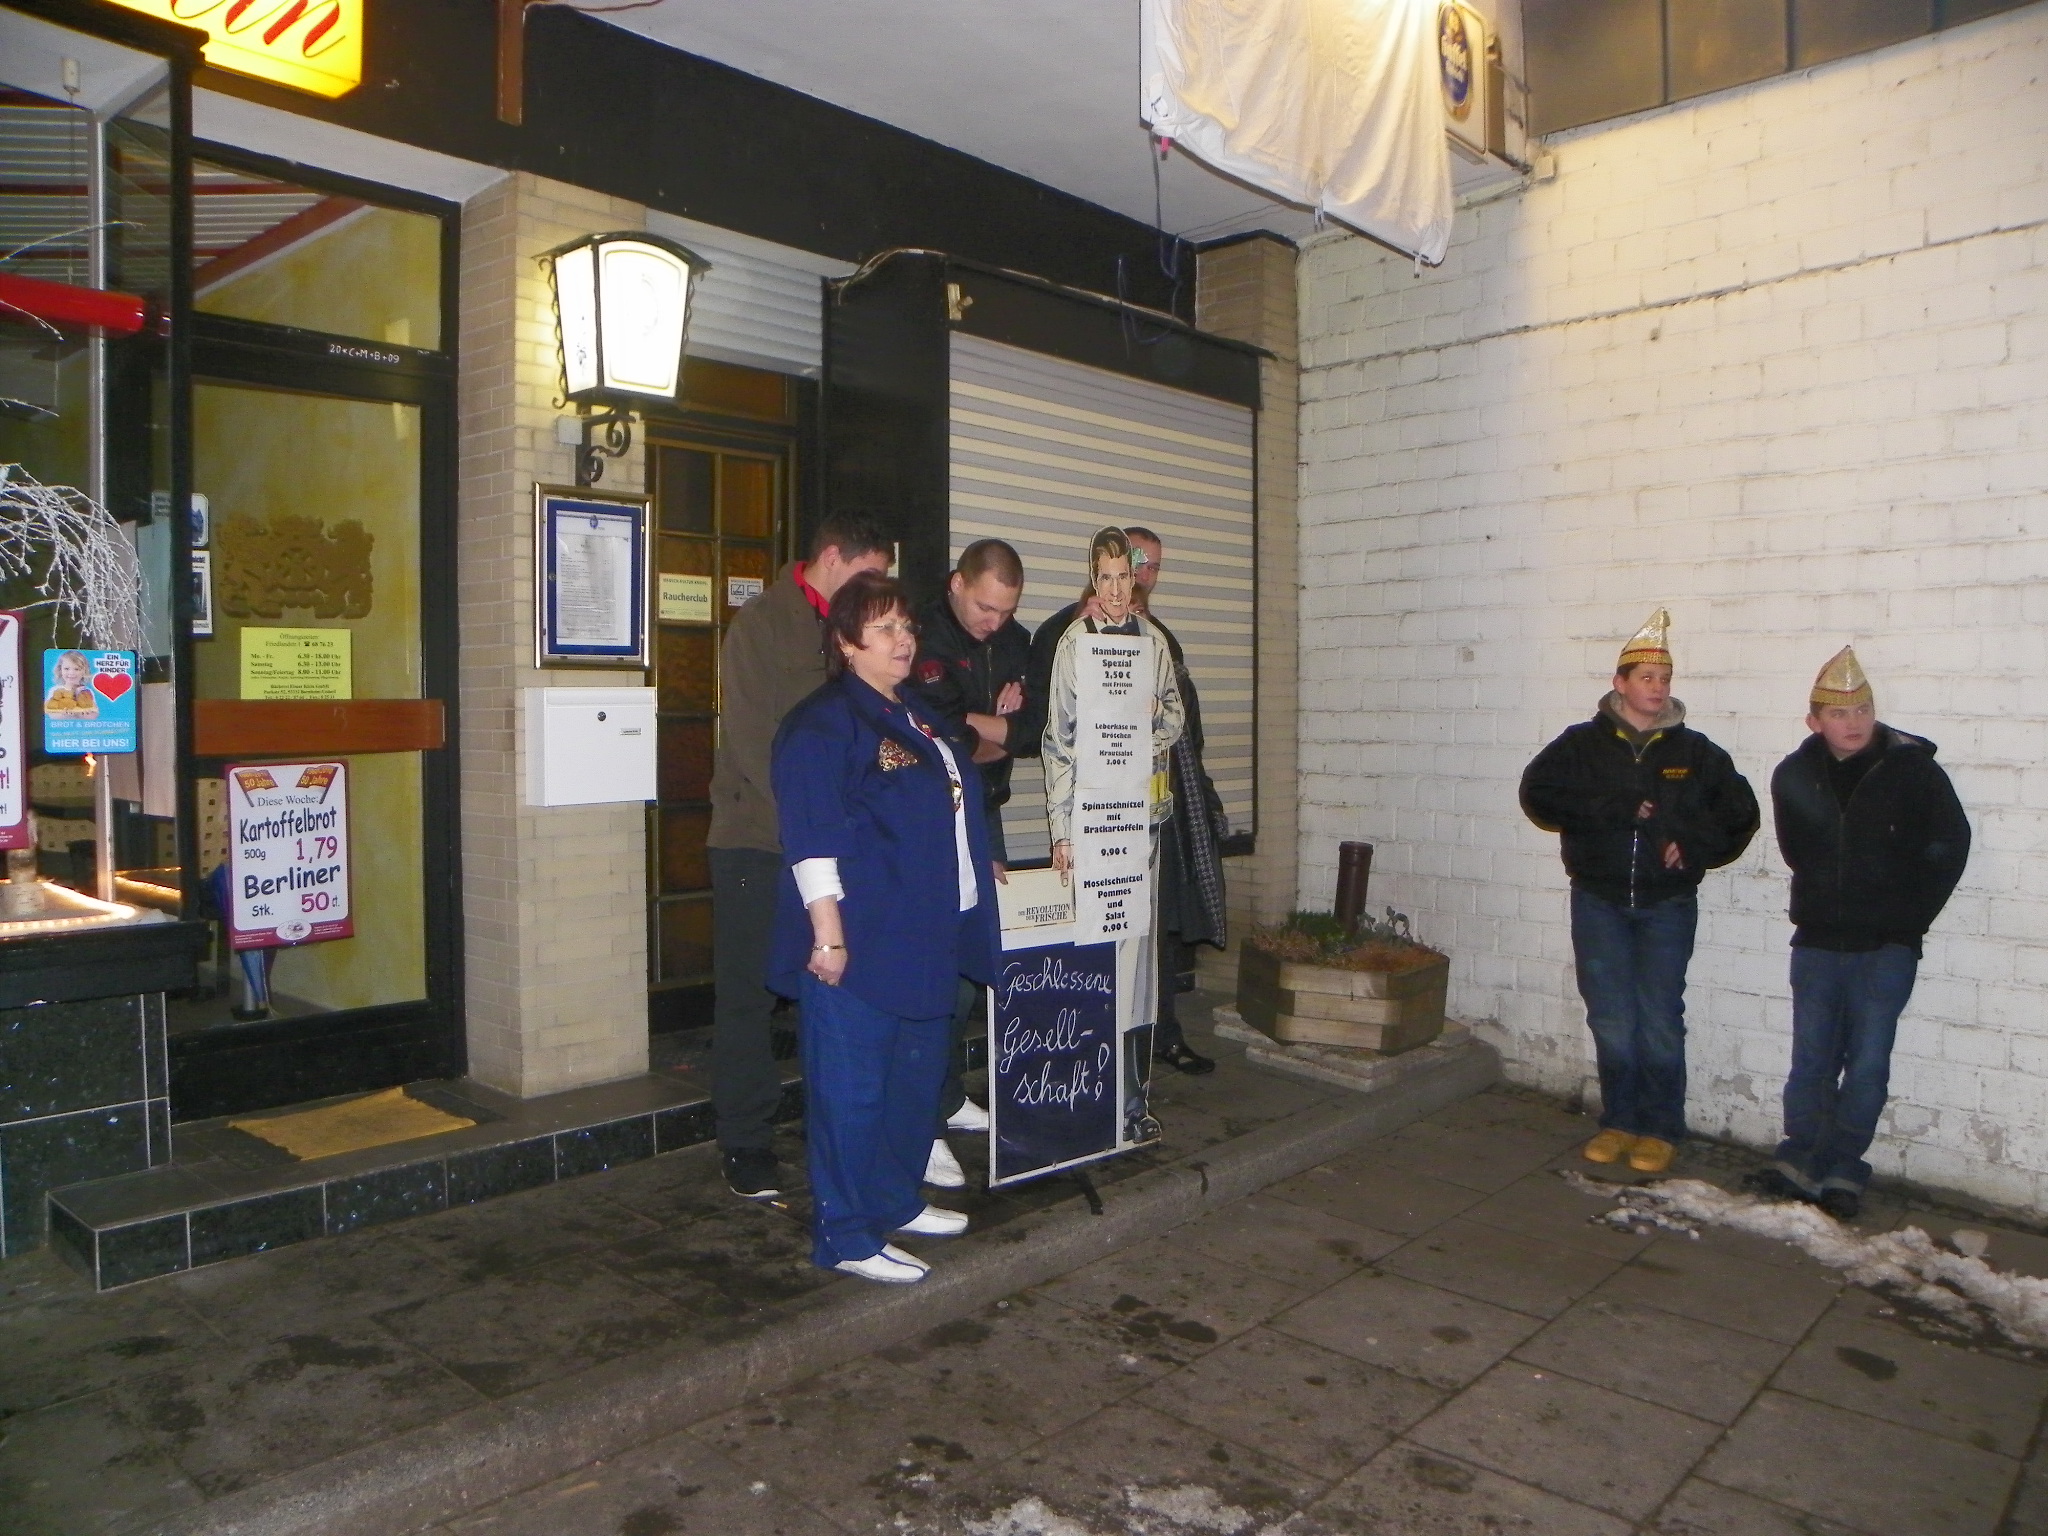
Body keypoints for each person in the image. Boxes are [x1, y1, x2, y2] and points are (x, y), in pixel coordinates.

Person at [768, 572, 1000, 1283]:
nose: (904, 640)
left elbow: (953, 806)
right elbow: (812, 836)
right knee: (853, 1094)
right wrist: (827, 936)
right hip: (861, 940)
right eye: (884, 628)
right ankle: (845, 1232)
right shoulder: (824, 722)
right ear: (845, 641)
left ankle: (894, 1199)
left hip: (926, 933)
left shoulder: (917, 713)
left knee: (912, 1082)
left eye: (907, 626)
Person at [1519, 610, 1758, 1174]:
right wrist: (1612, 808)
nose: (1658, 687)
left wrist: (1695, 846)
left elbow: (1740, 814)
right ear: (1620, 683)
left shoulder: (1695, 752)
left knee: (1659, 1017)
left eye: (1665, 679)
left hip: (1666, 905)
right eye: (1647, 678)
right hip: (1598, 901)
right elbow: (1539, 796)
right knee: (1610, 1017)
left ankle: (1660, 1128)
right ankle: (1620, 1121)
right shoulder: (1581, 745)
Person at [1743, 647, 1969, 1220]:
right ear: (1814, 721)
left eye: (1863, 710)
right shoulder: (1794, 774)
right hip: (1817, 941)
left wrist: (1907, 924)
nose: (1854, 722)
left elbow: (1949, 846)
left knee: (1867, 1063)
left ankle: (1843, 1168)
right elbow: (1798, 851)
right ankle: (1799, 1159)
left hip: (1886, 947)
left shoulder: (1913, 770)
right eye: (1839, 713)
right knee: (1811, 1059)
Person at [707, 514, 893, 1199]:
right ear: (832, 557)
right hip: (759, 840)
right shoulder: (763, 624)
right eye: (868, 575)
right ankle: (745, 1140)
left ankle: (837, 1131)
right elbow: (754, 743)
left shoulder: (854, 629)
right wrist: (818, 829)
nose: (876, 592)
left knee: (834, 991)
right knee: (748, 998)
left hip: (834, 844)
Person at [1043, 527, 1185, 1127]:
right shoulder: (1074, 644)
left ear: (1135, 577)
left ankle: (1132, 1099)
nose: (1116, 589)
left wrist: (1151, 717)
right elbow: (1059, 740)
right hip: (1092, 822)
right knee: (1095, 951)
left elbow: (1176, 717)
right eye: (1105, 577)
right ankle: (1084, 1091)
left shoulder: (1154, 643)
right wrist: (1062, 830)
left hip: (1141, 824)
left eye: (1124, 576)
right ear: (1092, 578)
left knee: (1138, 961)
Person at [909, 539, 1030, 1188]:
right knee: (939, 977)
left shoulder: (1015, 640)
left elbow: (1037, 728)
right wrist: (993, 728)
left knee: (977, 962)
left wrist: (992, 730)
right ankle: (923, 1121)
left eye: (1006, 611)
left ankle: (949, 1095)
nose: (994, 622)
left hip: (985, 811)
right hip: (932, 818)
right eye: (985, 608)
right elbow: (947, 736)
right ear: (957, 583)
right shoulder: (920, 636)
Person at [1124, 526, 1226, 1075]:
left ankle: (1162, 1033)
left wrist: (1202, 798)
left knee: (1159, 927)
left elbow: (1188, 734)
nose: (1146, 574)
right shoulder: (1075, 634)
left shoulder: (1163, 639)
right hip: (1107, 814)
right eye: (1137, 561)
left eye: (1154, 566)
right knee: (1117, 932)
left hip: (1161, 808)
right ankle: (1114, 1047)